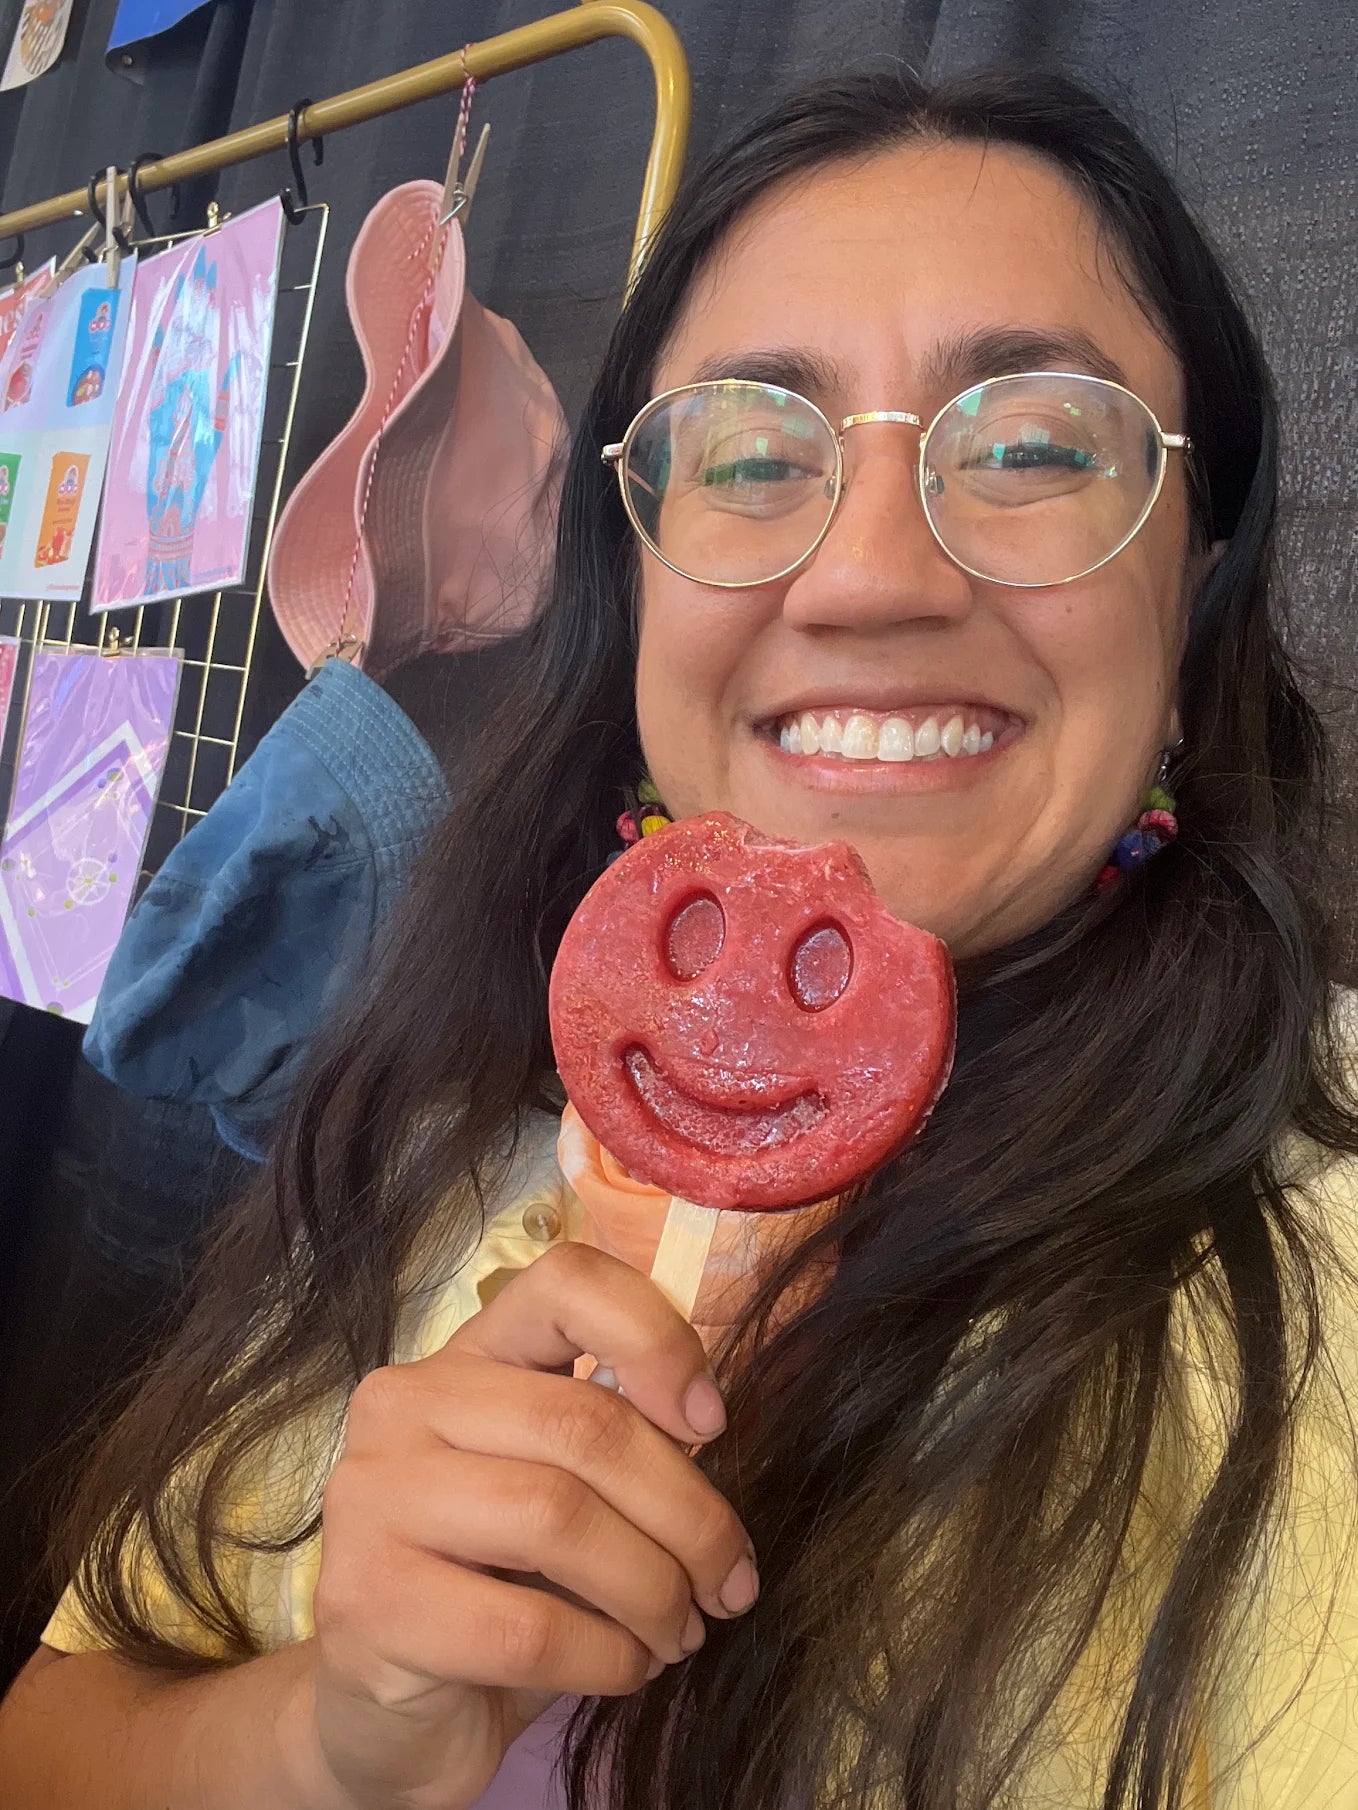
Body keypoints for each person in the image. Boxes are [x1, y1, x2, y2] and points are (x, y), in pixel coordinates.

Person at [1, 64, 1356, 1810]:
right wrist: (333, 1730)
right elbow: (50, 1738)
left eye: (1027, 444)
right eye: (746, 451)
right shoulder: (433, 1119)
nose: (868, 575)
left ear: (1198, 580)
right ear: (628, 579)